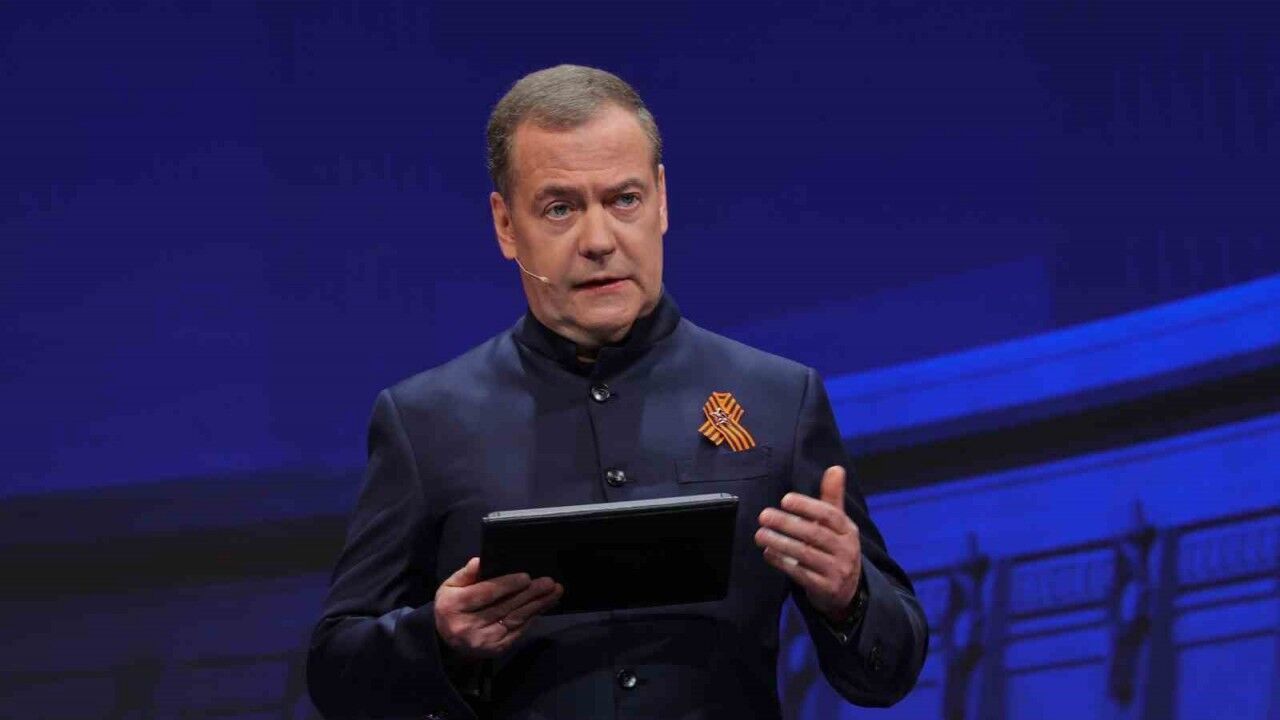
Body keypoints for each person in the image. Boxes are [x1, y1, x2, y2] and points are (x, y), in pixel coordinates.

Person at [308, 64, 928, 720]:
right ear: (505, 225)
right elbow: (335, 671)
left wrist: (849, 596)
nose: (599, 241)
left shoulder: (779, 398)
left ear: (662, 200)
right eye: (560, 208)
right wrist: (438, 639)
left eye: (624, 199)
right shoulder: (424, 422)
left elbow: (891, 672)